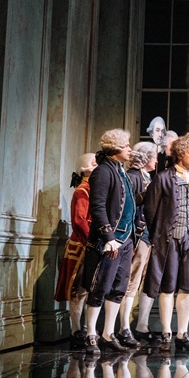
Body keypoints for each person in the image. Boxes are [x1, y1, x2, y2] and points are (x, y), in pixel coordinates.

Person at [143, 132, 189, 352]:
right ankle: (167, 332)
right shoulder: (163, 178)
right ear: (180, 154)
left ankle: (182, 333)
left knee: (187, 287)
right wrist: (158, 235)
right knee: (168, 286)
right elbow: (150, 210)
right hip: (169, 240)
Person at [82, 129, 140, 354]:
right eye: (126, 145)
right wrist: (108, 237)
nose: (129, 149)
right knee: (100, 287)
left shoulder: (121, 170)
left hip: (126, 239)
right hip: (110, 240)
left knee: (118, 288)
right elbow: (97, 207)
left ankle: (108, 334)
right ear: (115, 148)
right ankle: (91, 334)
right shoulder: (103, 172)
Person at [54, 153, 97, 350]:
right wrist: (92, 240)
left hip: (93, 244)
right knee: (79, 290)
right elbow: (80, 220)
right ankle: (76, 330)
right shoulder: (82, 191)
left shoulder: (94, 190)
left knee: (91, 289)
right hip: (82, 246)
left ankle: (89, 329)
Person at [118, 142, 158, 346]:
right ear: (145, 157)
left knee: (139, 282)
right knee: (130, 282)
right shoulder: (133, 176)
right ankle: (123, 328)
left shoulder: (147, 177)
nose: (157, 161)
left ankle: (136, 326)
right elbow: (128, 207)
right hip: (137, 236)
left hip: (148, 236)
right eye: (154, 156)